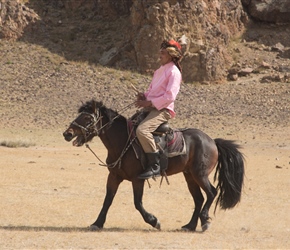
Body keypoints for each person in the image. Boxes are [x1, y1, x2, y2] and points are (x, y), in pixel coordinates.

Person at [135, 39, 183, 179]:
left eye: (162, 53)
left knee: (142, 130)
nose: (159, 55)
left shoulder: (174, 72)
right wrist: (144, 96)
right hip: (152, 107)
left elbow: (169, 97)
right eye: (160, 53)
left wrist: (148, 103)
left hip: (163, 110)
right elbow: (152, 91)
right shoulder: (159, 71)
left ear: (170, 55)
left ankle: (155, 165)